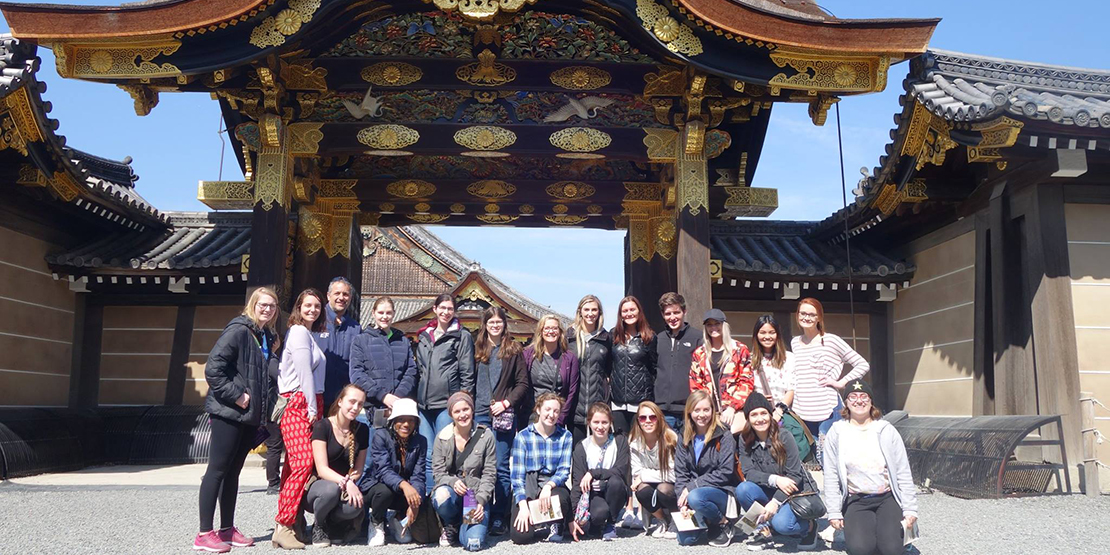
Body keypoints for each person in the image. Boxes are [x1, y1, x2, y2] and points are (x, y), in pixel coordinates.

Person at [194, 287, 280, 553]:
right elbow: (213, 368)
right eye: (263, 304)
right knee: (217, 470)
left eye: (272, 306)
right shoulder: (239, 330)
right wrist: (237, 396)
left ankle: (227, 529)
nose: (267, 309)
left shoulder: (265, 336)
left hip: (249, 415)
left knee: (233, 472)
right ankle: (204, 533)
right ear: (252, 305)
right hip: (229, 412)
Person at [823, 379, 917, 555]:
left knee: (891, 550)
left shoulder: (885, 430)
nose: (859, 401)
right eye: (853, 396)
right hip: (856, 500)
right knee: (861, 549)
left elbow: (903, 470)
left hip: (887, 498)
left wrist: (910, 508)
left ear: (871, 400)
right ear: (846, 402)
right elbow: (831, 475)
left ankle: (895, 537)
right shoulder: (836, 432)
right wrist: (834, 511)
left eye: (864, 396)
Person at [274, 288, 328, 549]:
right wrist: (312, 409)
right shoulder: (297, 332)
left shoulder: (308, 334)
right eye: (308, 305)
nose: (312, 310)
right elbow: (305, 372)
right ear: (299, 306)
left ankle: (292, 519)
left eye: (317, 306)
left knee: (293, 465)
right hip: (299, 402)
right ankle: (284, 523)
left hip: (308, 400)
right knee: (304, 462)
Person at [734, 392, 818, 551]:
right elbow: (748, 472)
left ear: (770, 414)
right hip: (770, 487)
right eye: (754, 415)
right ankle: (763, 532)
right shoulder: (744, 438)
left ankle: (809, 526)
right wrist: (775, 479)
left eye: (763, 413)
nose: (759, 419)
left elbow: (795, 475)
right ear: (748, 418)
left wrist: (776, 502)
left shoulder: (784, 436)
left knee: (783, 525)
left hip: (793, 491)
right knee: (743, 489)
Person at [472, 306, 530, 537]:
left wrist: (506, 403)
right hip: (478, 413)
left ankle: (499, 516)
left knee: (501, 466)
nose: (495, 325)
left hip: (503, 414)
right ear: (484, 324)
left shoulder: (514, 350)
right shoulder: (475, 347)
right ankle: (475, 514)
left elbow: (522, 384)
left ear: (504, 324)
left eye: (499, 322)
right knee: (475, 465)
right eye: (491, 322)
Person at [791, 298, 870, 463]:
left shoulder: (831, 340)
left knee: (829, 458)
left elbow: (862, 364)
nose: (807, 317)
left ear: (819, 317)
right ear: (797, 315)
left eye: (812, 314)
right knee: (813, 459)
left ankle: (840, 490)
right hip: (802, 409)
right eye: (803, 313)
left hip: (827, 407)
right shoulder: (795, 343)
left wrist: (841, 382)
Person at [415, 293, 476, 494]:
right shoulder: (424, 336)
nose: (446, 312)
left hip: (446, 405)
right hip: (423, 405)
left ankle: (443, 497)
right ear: (435, 309)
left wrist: (462, 403)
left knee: (443, 453)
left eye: (450, 309)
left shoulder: (461, 336)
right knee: (426, 452)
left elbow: (467, 372)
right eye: (442, 308)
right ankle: (427, 497)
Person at [305, 384, 370, 548]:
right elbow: (322, 469)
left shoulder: (362, 430)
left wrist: (351, 481)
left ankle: (333, 523)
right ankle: (319, 525)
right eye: (352, 401)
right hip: (319, 486)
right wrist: (346, 483)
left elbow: (359, 469)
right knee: (330, 490)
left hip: (344, 485)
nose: (355, 408)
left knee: (356, 505)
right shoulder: (322, 426)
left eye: (360, 404)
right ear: (340, 401)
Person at [431, 392, 497, 551]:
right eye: (457, 411)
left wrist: (481, 500)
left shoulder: (486, 435)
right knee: (441, 496)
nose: (462, 415)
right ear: (451, 415)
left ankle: (465, 527)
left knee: (472, 544)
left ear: (472, 410)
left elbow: (490, 473)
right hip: (452, 493)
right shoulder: (442, 438)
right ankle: (451, 522)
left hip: (473, 496)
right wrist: (453, 482)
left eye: (465, 409)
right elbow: (438, 473)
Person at [674, 389, 739, 547]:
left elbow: (725, 472)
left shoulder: (724, 435)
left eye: (706, 410)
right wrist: (682, 502)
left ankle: (724, 523)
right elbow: (681, 472)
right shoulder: (684, 436)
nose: (701, 415)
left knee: (696, 497)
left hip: (722, 491)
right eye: (696, 410)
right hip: (694, 495)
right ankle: (709, 522)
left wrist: (692, 488)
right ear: (689, 411)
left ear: (713, 411)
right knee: (686, 541)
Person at [509, 393, 574, 545]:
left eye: (556, 411)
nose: (551, 415)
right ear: (538, 410)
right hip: (529, 486)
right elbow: (517, 477)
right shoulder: (523, 437)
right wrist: (523, 506)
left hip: (553, 486)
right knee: (521, 537)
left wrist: (548, 486)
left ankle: (556, 522)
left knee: (562, 499)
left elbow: (564, 470)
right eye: (547, 409)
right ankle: (536, 516)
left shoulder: (566, 436)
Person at [363, 397, 428, 547]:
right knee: (385, 491)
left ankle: (398, 519)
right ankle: (376, 522)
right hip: (377, 486)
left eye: (411, 420)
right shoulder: (381, 435)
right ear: (393, 421)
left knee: (419, 496)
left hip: (402, 489)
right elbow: (383, 470)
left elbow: (419, 475)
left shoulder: (420, 441)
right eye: (401, 420)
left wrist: (415, 502)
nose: (406, 424)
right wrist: (405, 485)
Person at [349, 296, 418, 427]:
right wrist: (382, 396)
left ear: (394, 314)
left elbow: (411, 371)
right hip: (371, 408)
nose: (384, 317)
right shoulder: (361, 340)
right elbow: (357, 374)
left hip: (398, 408)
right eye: (381, 312)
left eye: (388, 313)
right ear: (373, 313)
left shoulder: (402, 341)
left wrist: (396, 397)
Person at [570, 403, 631, 541]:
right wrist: (572, 517)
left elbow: (620, 471)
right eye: (596, 422)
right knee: (599, 513)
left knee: (616, 482)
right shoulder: (582, 447)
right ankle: (596, 523)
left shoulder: (619, 442)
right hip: (593, 493)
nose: (600, 426)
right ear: (589, 423)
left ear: (610, 423)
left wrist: (593, 473)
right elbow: (577, 483)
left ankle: (611, 524)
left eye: (605, 422)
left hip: (614, 490)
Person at [689, 309, 754, 435]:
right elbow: (695, 384)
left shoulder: (739, 350)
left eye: (717, 323)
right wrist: (705, 409)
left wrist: (732, 407)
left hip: (734, 412)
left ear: (724, 325)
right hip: (709, 413)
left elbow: (746, 382)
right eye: (709, 324)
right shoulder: (700, 353)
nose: (713, 327)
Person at [654, 293, 703, 436]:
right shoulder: (659, 339)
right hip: (664, 409)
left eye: (676, 312)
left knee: (689, 452)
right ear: (663, 315)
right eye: (668, 313)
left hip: (689, 409)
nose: (672, 317)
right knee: (667, 452)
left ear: (684, 311)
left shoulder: (697, 337)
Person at [628, 401, 679, 539]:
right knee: (642, 490)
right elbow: (636, 474)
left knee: (663, 489)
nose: (648, 421)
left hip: (671, 486)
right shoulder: (634, 443)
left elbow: (675, 474)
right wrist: (643, 477)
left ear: (659, 419)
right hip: (652, 484)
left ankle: (676, 519)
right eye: (643, 418)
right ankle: (663, 520)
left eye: (653, 417)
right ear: (638, 421)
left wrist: (645, 475)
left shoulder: (670, 439)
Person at [567, 295, 612, 446]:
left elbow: (610, 370)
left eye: (594, 309)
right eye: (586, 309)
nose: (590, 313)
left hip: (598, 403)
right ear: (580, 312)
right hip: (575, 405)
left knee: (600, 452)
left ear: (599, 312)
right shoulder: (569, 338)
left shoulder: (606, 339)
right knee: (577, 452)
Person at [609, 296, 658, 435]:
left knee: (639, 443)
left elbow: (654, 368)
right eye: (625, 311)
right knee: (621, 444)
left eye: (632, 309)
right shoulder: (613, 335)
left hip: (640, 403)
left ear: (639, 311)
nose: (629, 313)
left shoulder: (649, 338)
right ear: (620, 314)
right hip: (617, 403)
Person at [523, 314, 580, 427]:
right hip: (531, 414)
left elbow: (572, 391)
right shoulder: (528, 355)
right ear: (541, 331)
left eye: (554, 328)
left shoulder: (568, 358)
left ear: (560, 332)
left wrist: (561, 417)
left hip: (555, 416)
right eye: (547, 328)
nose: (551, 331)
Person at [317, 277, 362, 408]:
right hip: (317, 393)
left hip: (342, 399)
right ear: (328, 295)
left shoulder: (355, 328)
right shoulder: (316, 321)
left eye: (345, 294)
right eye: (337, 293)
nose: (341, 298)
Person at [750, 315, 796, 420]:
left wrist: (779, 411)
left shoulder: (789, 358)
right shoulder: (749, 359)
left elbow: (791, 389)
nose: (767, 336)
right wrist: (758, 400)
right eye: (762, 332)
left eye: (771, 332)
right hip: (759, 414)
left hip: (783, 413)